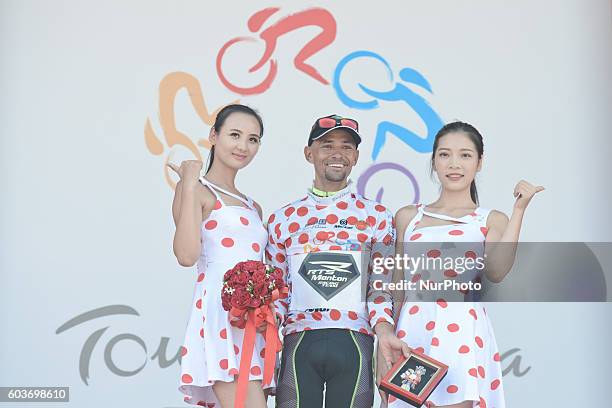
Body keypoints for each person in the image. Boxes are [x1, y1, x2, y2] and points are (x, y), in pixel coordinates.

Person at [389, 121, 544, 408]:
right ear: (433, 161)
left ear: (479, 162)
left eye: (465, 155)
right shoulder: (408, 216)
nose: (454, 164)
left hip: (461, 332)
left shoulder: (490, 219)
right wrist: (386, 343)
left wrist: (519, 210)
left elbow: (497, 271)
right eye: (445, 155)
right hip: (412, 331)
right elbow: (397, 286)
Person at [266, 114, 409, 408]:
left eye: (346, 147)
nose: (337, 154)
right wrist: (265, 329)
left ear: (355, 156)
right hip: (299, 342)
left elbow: (379, 287)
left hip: (355, 341)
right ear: (309, 154)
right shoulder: (282, 219)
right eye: (326, 145)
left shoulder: (377, 216)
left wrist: (384, 330)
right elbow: (276, 288)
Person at [169, 104, 273, 408]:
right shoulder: (197, 191)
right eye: (235, 135)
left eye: (253, 139)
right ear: (214, 135)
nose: (243, 146)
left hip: (253, 322)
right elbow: (186, 255)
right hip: (219, 318)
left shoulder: (254, 206)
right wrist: (189, 181)